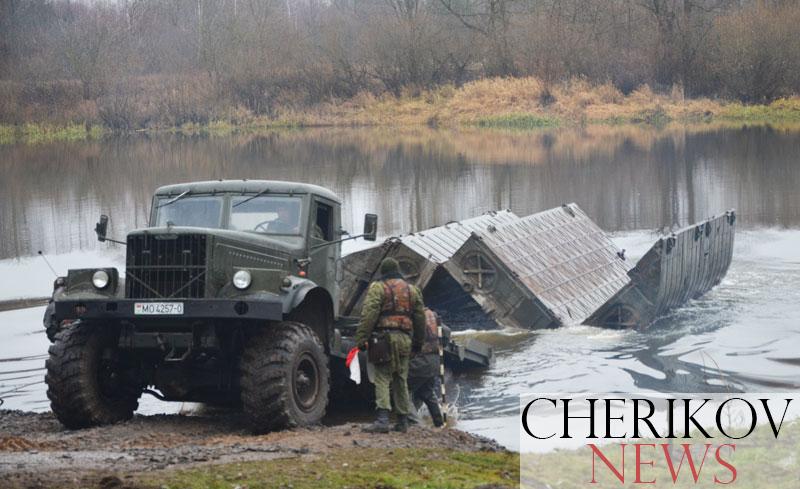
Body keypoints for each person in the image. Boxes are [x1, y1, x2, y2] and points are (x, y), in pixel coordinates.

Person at [355, 258, 425, 433]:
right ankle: (403, 421)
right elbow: (420, 318)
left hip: (383, 339)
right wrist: (418, 343)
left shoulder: (378, 288)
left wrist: (362, 338)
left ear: (383, 272)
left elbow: (369, 314)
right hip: (404, 339)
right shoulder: (412, 290)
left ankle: (382, 420)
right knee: (401, 378)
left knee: (382, 378)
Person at [407, 308, 446, 427]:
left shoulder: (417, 320)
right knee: (427, 392)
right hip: (436, 362)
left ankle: (415, 423)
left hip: (421, 363)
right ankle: (439, 423)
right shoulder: (434, 318)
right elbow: (446, 333)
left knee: (401, 389)